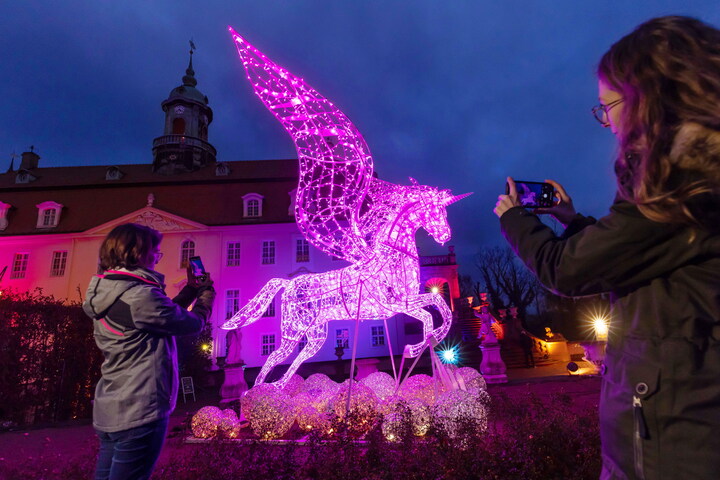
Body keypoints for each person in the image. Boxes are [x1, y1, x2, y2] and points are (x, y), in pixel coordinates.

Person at [494, 16, 720, 480]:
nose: (607, 122)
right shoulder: (698, 178)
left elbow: (566, 271)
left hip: (673, 437)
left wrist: (513, 218)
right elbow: (635, 255)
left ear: (647, 99)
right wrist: (574, 221)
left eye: (608, 105)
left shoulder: (677, 183)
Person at [83, 223, 215, 480]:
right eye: (155, 251)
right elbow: (191, 324)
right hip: (140, 408)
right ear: (136, 253)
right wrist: (206, 292)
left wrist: (189, 290)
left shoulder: (107, 290)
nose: (157, 257)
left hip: (110, 406)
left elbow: (159, 318)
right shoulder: (141, 296)